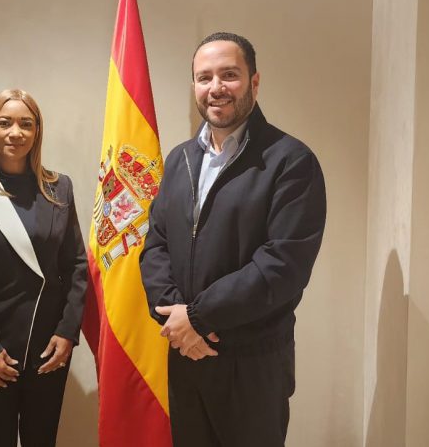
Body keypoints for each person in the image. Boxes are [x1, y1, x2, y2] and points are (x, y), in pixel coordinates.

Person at [140, 32, 327, 447]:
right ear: (194, 85)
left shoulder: (291, 161)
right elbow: (155, 246)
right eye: (204, 77)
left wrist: (198, 318)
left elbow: (282, 266)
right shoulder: (179, 160)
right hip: (187, 358)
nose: (216, 87)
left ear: (254, 82)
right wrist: (177, 320)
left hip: (252, 366)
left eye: (229, 75)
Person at [0, 89, 87, 447]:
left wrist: (67, 333)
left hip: (48, 347)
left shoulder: (58, 187)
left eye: (26, 124)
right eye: (5, 123)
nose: (15, 133)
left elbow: (76, 265)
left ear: (37, 131)